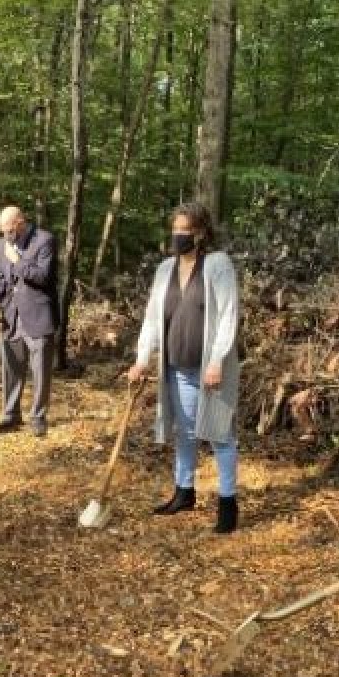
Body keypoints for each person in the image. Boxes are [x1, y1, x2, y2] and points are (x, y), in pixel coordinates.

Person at [128, 201, 241, 535]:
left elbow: (227, 314)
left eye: (185, 231)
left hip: (209, 366)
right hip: (176, 365)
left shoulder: (217, 265)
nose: (178, 236)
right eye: (175, 230)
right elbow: (152, 318)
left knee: (220, 432)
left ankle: (228, 503)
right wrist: (141, 359)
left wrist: (218, 360)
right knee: (185, 431)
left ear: (201, 232)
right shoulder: (165, 270)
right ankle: (184, 491)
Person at [0, 206, 58, 436]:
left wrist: (19, 260)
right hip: (11, 316)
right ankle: (10, 415)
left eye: (9, 230)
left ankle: (38, 416)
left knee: (40, 370)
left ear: (20, 222)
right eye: (2, 231)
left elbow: (44, 277)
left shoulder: (45, 240)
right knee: (11, 367)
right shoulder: (2, 245)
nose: (6, 235)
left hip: (37, 315)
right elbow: (1, 280)